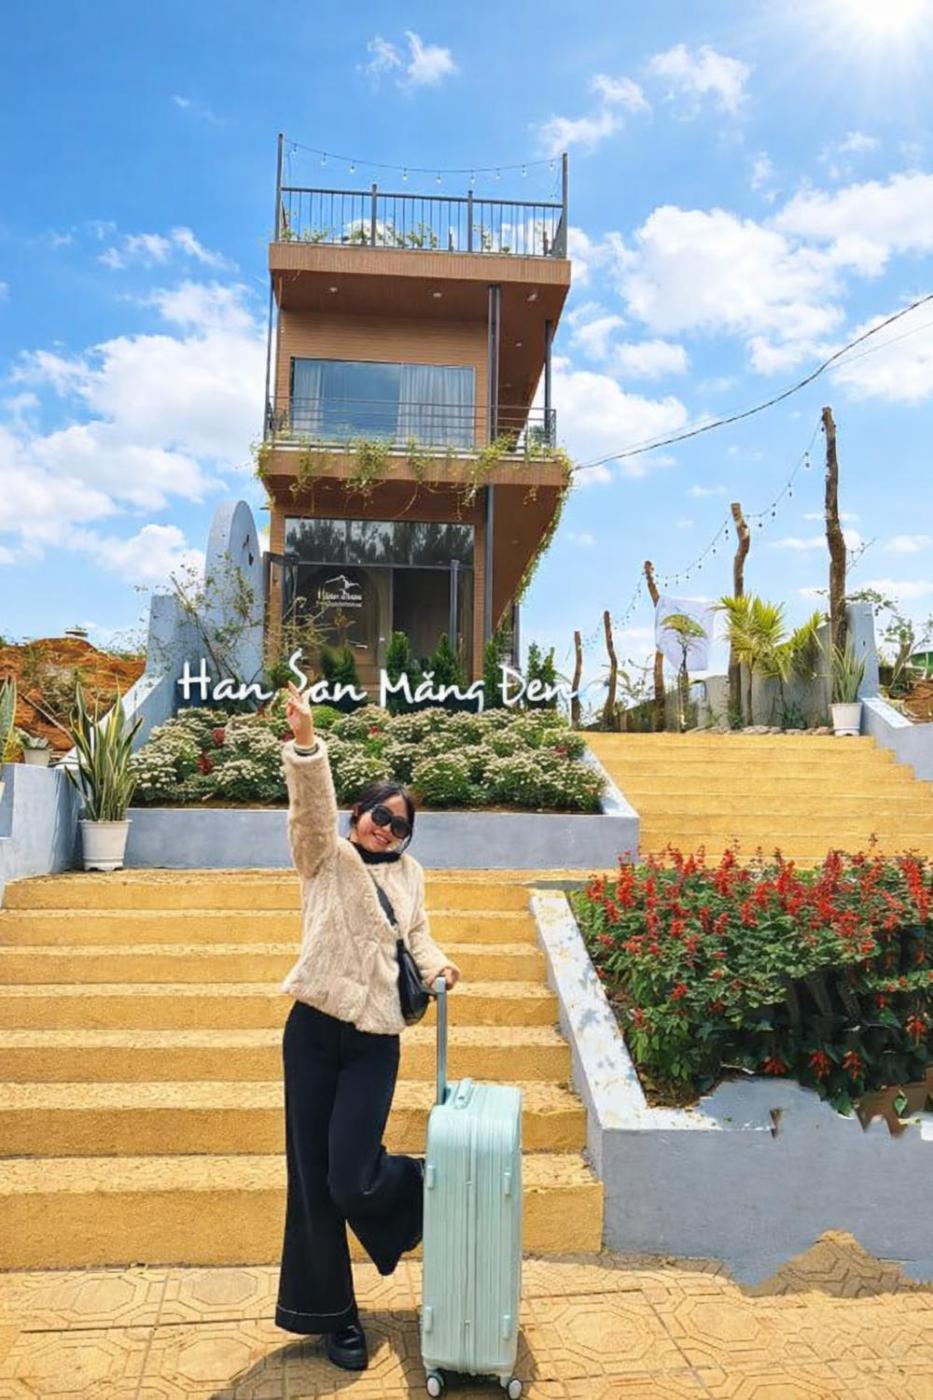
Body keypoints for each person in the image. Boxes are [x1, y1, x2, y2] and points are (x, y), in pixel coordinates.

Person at [275, 681, 461, 1373]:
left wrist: (439, 966)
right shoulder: (325, 856)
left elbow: (418, 936)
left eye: (399, 825)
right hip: (313, 1029)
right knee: (313, 1178)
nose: (386, 829)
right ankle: (333, 1316)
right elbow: (308, 810)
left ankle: (412, 1185)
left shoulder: (411, 875)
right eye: (379, 815)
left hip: (375, 1040)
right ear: (357, 813)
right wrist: (306, 743)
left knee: (350, 1177)